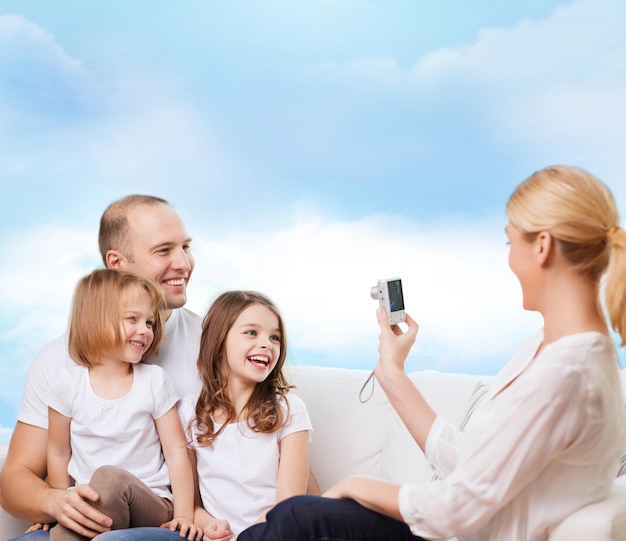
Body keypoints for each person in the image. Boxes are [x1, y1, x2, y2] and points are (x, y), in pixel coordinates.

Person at [238, 165, 626, 541]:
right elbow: (476, 464)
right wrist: (392, 371)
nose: (510, 260)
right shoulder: (552, 348)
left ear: (542, 246)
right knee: (296, 516)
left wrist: (356, 486)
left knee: (297, 515)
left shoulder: (568, 373)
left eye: (511, 242)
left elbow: (456, 508)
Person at [0, 195, 201, 540]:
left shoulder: (216, 343)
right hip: (92, 515)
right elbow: (17, 477)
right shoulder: (57, 364)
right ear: (116, 263)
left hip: (162, 517)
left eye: (186, 247)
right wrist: (57, 502)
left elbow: (276, 432)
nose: (184, 262)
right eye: (164, 250)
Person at [46, 269, 200, 541]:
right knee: (93, 494)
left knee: (108, 477)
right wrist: (60, 508)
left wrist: (184, 516)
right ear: (96, 321)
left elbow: (177, 452)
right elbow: (58, 453)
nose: (145, 330)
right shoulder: (67, 385)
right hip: (93, 504)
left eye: (150, 323)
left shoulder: (153, 381)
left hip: (151, 502)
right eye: (133, 319)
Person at [180, 290, 312, 541]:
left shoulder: (289, 410)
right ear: (218, 345)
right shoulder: (190, 412)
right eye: (252, 332)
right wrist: (211, 526)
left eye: (275, 337)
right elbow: (190, 504)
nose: (267, 344)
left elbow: (288, 507)